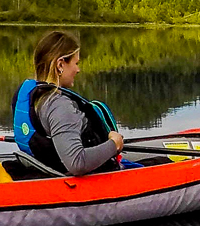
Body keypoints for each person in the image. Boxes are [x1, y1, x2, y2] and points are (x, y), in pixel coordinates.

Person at [14, 30, 127, 175]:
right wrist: (114, 144)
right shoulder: (59, 106)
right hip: (83, 182)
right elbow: (76, 163)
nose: (78, 70)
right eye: (76, 63)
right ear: (60, 64)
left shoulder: (32, 96)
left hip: (48, 170)